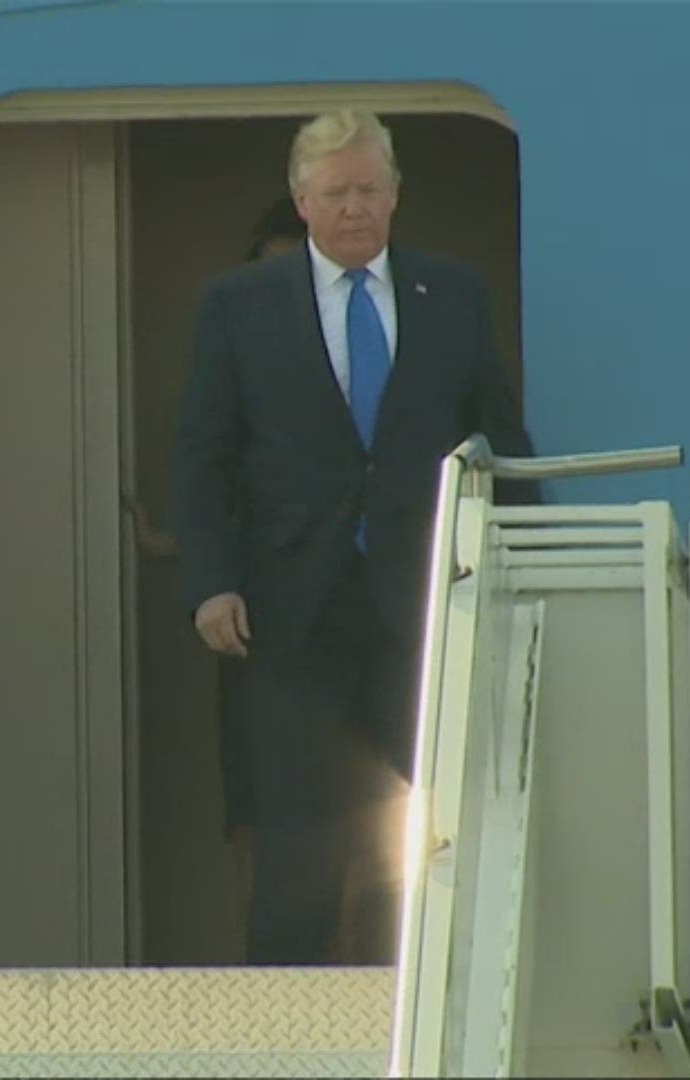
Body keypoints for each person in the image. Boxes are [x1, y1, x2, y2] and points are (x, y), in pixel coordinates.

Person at [168, 108, 539, 965]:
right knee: (300, 836)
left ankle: (424, 995)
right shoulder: (238, 305)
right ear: (302, 201)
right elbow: (202, 456)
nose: (353, 208)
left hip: (425, 607)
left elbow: (501, 440)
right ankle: (287, 1028)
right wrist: (211, 581)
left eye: (369, 189)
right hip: (290, 611)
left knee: (433, 825)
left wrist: (516, 573)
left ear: (396, 194)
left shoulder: (451, 295)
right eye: (335, 193)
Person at [130, 195, 307, 951]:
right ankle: (259, 968)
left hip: (361, 622)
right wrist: (194, 561)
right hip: (255, 629)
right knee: (253, 804)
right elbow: (204, 473)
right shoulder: (233, 373)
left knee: (371, 813)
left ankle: (369, 974)